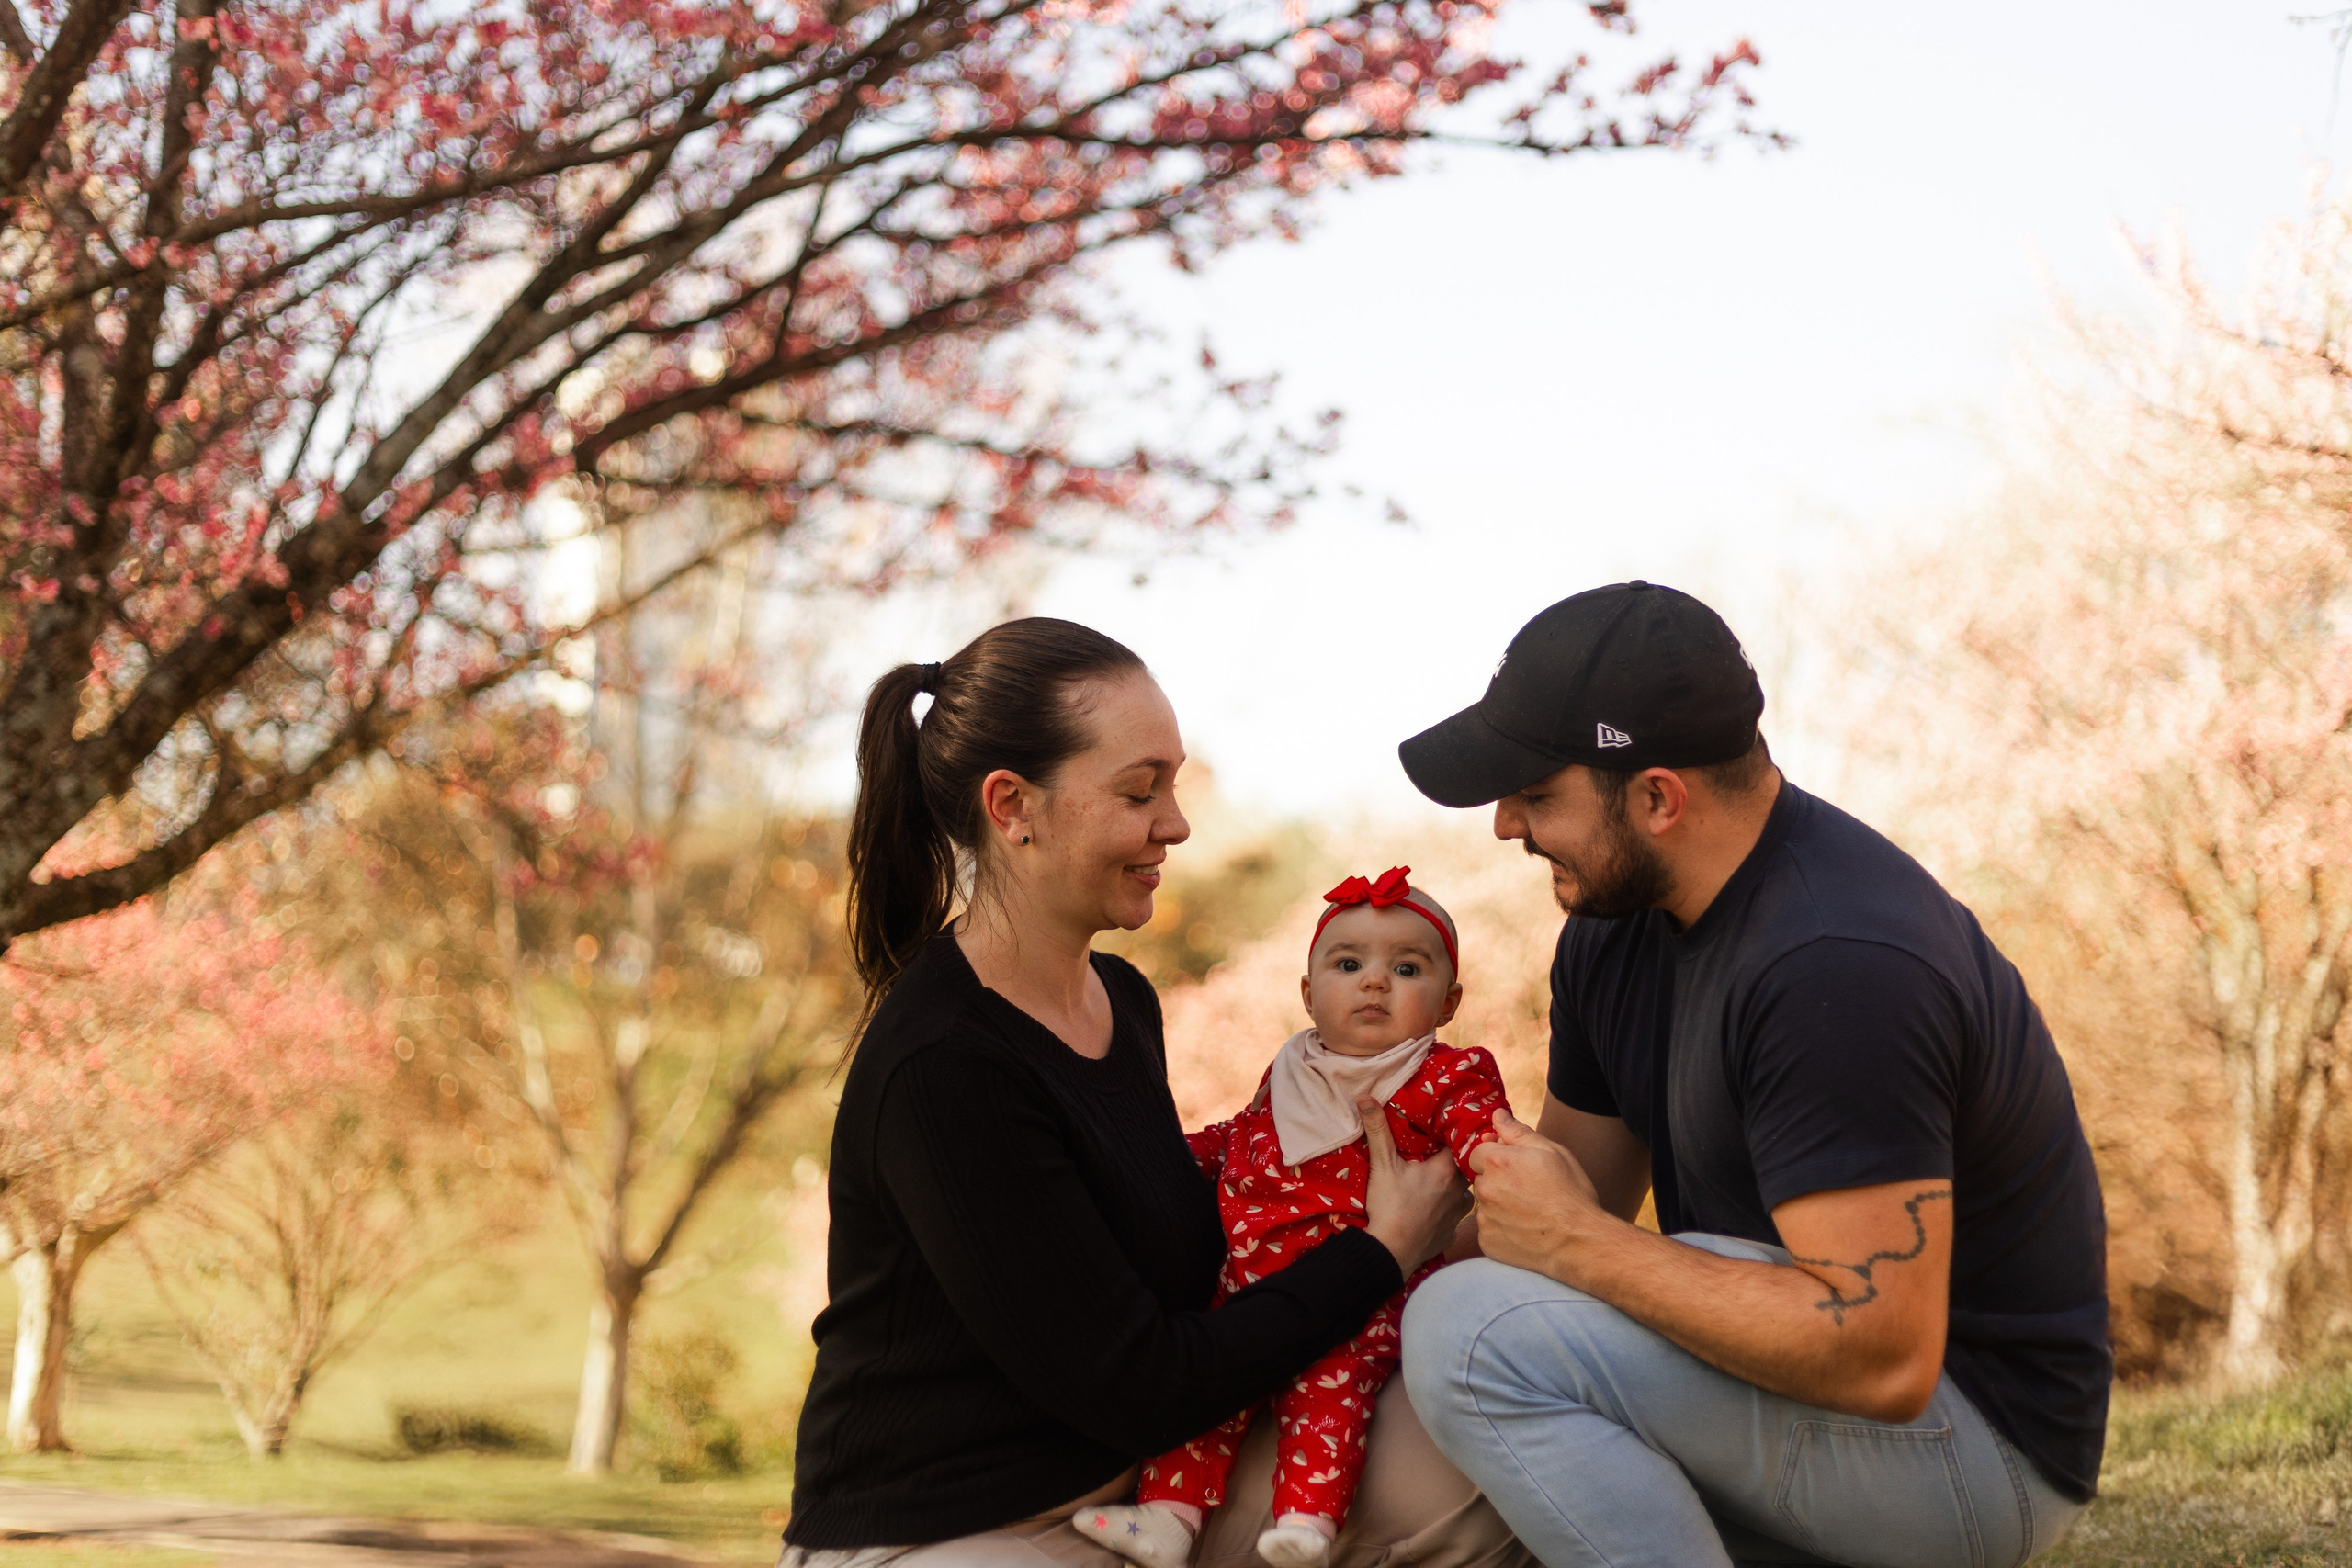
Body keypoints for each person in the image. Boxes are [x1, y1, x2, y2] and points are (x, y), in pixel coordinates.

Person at [1390, 582, 2112, 1568]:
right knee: (1440, 1346)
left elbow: (1883, 1354)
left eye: (1536, 792)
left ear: (1655, 797)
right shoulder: (1615, 928)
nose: (1505, 823)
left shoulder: (1836, 960)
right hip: (1796, 1393)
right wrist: (1337, 1259)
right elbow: (1562, 1202)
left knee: (1470, 1337)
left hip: (1975, 1448)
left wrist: (1571, 1244)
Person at [783, 618, 1523, 1568]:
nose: (1175, 822)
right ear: (1013, 806)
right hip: (952, 1530)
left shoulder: (1122, 1002)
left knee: (1475, 1482)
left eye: (1173, 783)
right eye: (1141, 791)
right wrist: (1380, 1252)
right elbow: (1137, 1382)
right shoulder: (946, 1066)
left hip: (1141, 1485)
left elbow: (1195, 1256)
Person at [1077, 869, 1510, 1568]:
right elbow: (1242, 1135)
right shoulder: (1292, 1068)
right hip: (1247, 1280)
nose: (1374, 981)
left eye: (1406, 967)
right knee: (1208, 1392)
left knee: (1328, 1392)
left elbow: (1482, 1137)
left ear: (1450, 999)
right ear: (1309, 994)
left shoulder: (1444, 1076)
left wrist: (1497, 1161)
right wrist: (1169, 1161)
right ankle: (1167, 1518)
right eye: (1349, 964)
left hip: (1365, 1294)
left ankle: (1307, 1519)